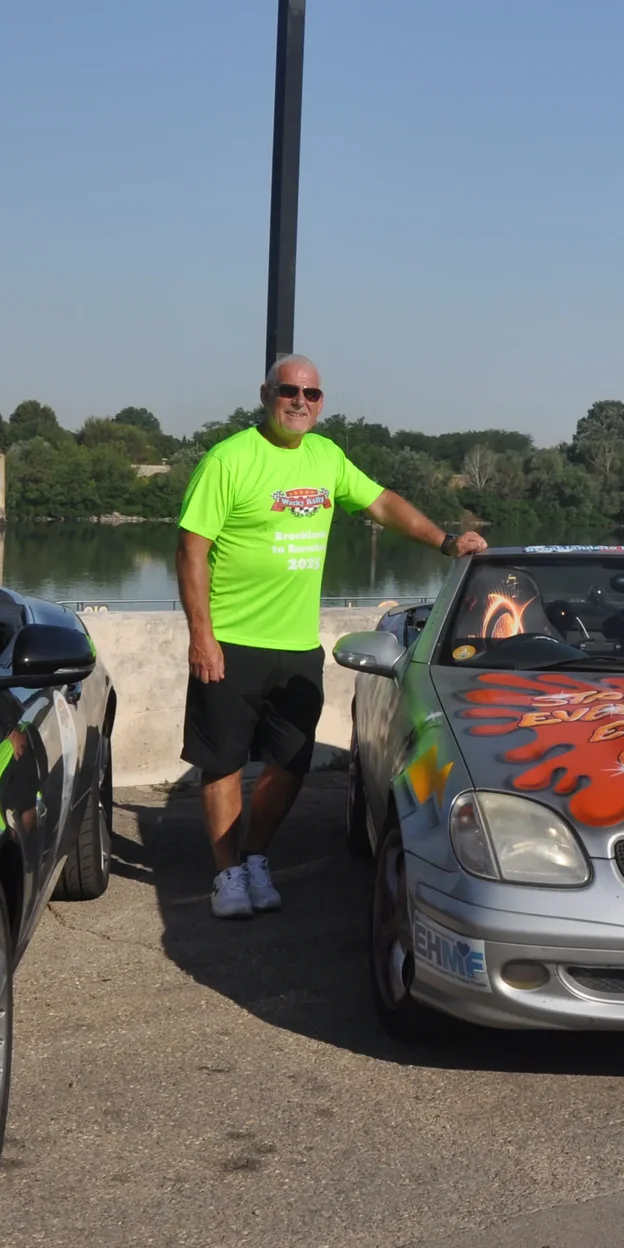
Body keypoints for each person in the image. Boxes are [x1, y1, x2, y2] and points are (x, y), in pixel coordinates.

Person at [176, 354, 485, 920]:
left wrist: (446, 542)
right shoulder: (229, 459)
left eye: (311, 395)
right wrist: (203, 635)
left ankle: (253, 857)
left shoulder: (325, 457)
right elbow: (191, 548)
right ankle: (225, 875)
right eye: (289, 390)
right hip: (231, 639)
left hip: (296, 645)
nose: (300, 402)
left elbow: (384, 505)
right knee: (221, 764)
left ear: (321, 403)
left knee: (290, 764)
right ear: (266, 393)